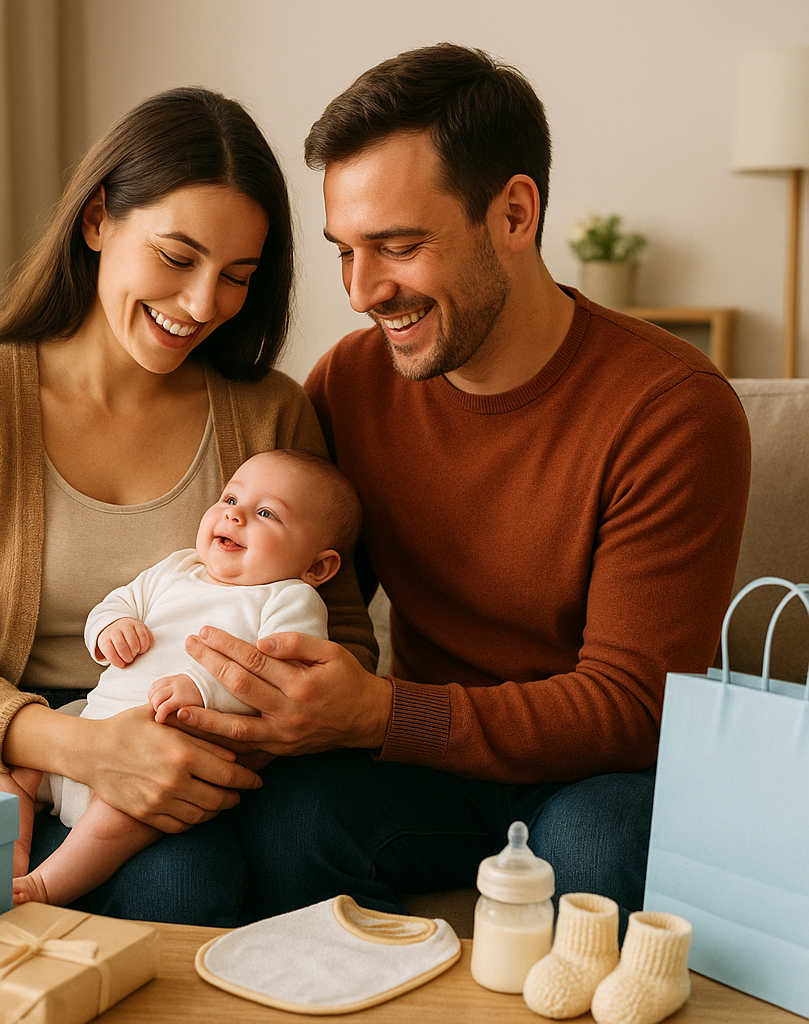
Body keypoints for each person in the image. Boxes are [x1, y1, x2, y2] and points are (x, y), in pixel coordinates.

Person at [177, 45, 752, 935]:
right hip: (426, 765)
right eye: (346, 252)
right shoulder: (352, 384)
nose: (365, 291)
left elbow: (635, 710)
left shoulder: (672, 410)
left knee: (595, 854)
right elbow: (305, 600)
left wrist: (381, 710)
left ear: (513, 214)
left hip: (600, 771)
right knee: (289, 821)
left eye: (400, 247)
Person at [0, 87, 375, 926]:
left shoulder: (269, 416)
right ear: (99, 219)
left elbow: (341, 635)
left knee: (192, 886)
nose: (205, 304)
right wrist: (90, 749)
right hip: (3, 743)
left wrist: (220, 738)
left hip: (192, 741)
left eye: (238, 277)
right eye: (178, 257)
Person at [0, 448, 360, 907]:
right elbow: (119, 601)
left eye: (264, 513)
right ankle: (6, 854)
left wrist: (202, 689)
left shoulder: (288, 600)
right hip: (84, 732)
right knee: (6, 760)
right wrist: (109, 628)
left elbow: (285, 686)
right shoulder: (178, 569)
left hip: (162, 761)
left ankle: (48, 883)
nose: (234, 516)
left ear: (317, 567)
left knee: (122, 820)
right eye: (230, 498)